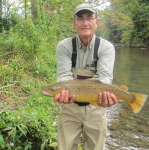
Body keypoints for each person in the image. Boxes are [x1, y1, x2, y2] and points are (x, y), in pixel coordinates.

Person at [53, 3, 119, 150]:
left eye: (89, 18)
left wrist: (107, 96)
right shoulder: (64, 46)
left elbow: (105, 78)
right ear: (74, 23)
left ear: (97, 22)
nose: (85, 23)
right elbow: (64, 75)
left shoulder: (106, 47)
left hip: (96, 107)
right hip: (69, 106)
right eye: (80, 18)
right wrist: (64, 92)